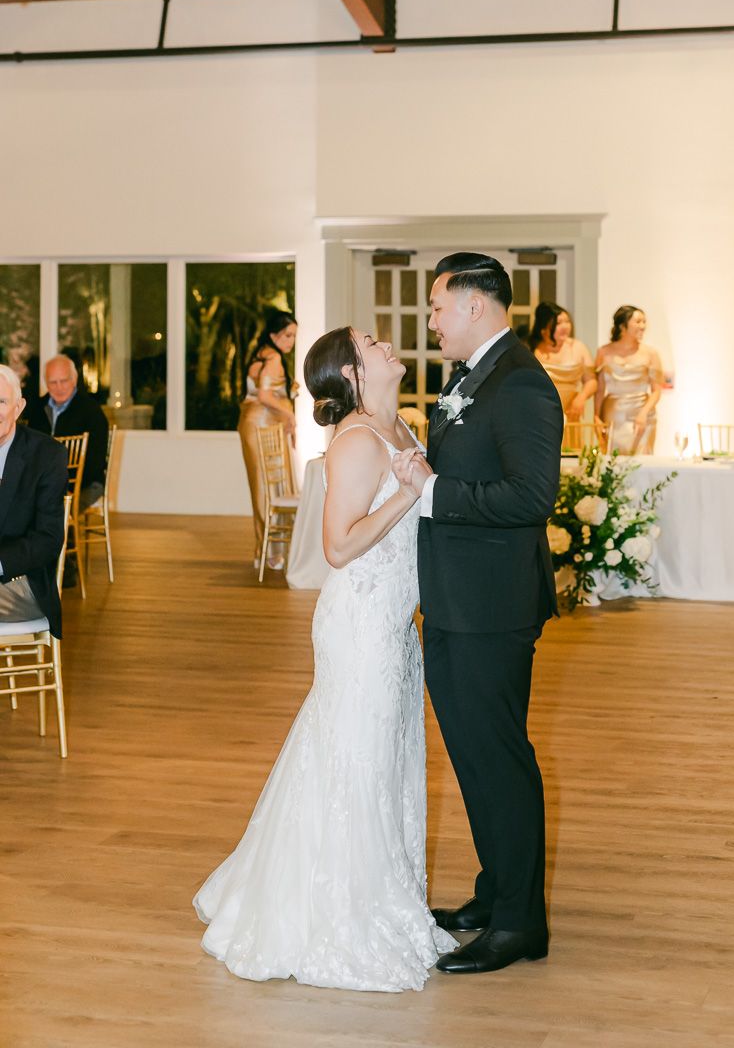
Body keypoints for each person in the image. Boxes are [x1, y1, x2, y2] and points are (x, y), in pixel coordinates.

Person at [194, 327, 456, 991]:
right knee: (356, 762)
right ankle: (342, 913)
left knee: (382, 759)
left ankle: (384, 894)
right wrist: (407, 493)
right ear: (349, 369)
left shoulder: (401, 425)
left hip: (395, 624)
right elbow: (337, 547)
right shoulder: (359, 441)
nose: (388, 343)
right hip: (361, 623)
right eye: (372, 342)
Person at [392, 252, 563, 975]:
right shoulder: (475, 375)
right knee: (477, 760)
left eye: (436, 307)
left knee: (499, 760)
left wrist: (434, 494)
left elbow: (532, 497)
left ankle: (520, 926)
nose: (429, 322)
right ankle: (497, 897)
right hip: (458, 599)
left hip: (491, 606)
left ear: (475, 306)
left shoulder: (521, 382)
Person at [0, 365, 68, 635]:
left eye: (1, 402)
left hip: (24, 580)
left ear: (19, 407)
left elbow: (48, 539)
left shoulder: (47, 456)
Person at [237, 309, 298, 568]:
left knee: (262, 486)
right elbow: (264, 396)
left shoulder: (261, 353)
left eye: (294, 336)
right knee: (271, 486)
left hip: (253, 423)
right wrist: (289, 414)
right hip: (263, 424)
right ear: (274, 335)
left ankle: (263, 550)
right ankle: (272, 553)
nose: (291, 341)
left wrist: (287, 395)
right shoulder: (273, 358)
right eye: (287, 335)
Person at [26, 355, 109, 510]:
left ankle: (61, 533)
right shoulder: (37, 409)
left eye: (64, 381)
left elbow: (96, 460)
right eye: (53, 382)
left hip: (85, 483)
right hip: (44, 483)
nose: (59, 387)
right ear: (46, 383)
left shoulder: (91, 410)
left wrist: (69, 485)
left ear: (74, 379)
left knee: (53, 510)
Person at [595, 305, 663, 455]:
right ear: (622, 325)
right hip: (614, 414)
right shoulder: (604, 352)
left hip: (642, 413)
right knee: (614, 461)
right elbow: (600, 389)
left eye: (644, 322)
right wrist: (596, 416)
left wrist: (643, 413)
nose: (642, 326)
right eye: (638, 322)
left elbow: (657, 391)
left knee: (642, 460)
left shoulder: (651, 353)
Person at [530, 301, 597, 422]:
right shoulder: (531, 349)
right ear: (544, 328)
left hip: (572, 411)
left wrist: (581, 398)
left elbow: (591, 380)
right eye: (559, 323)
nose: (565, 326)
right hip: (541, 412)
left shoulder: (579, 347)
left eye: (567, 321)